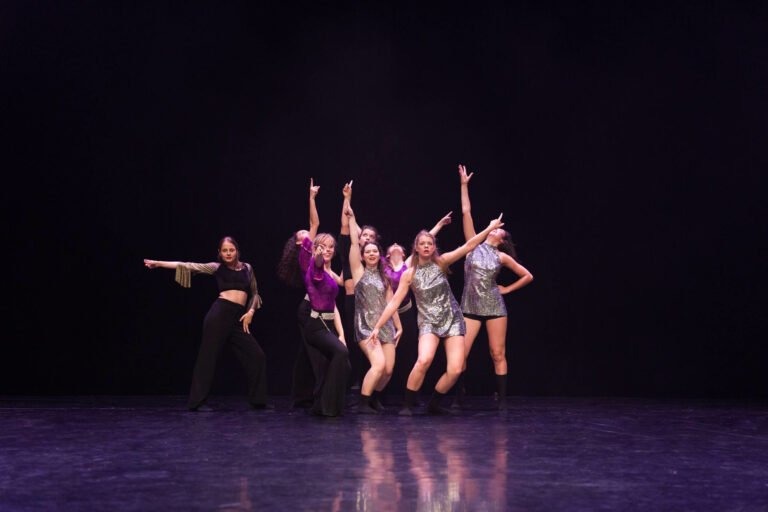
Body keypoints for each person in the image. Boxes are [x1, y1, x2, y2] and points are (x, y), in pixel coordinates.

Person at [368, 215, 505, 415]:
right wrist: (378, 326)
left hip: (452, 320)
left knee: (456, 369)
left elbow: (468, 246)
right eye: (421, 244)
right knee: (424, 360)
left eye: (429, 244)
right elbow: (394, 302)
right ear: (416, 247)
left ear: (433, 247)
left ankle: (434, 403)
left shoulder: (441, 262)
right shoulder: (410, 273)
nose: (425, 246)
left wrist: (488, 228)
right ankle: (407, 405)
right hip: (428, 322)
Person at [143, 237, 268, 412]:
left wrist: (251, 311)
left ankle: (258, 400)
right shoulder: (217, 268)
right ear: (220, 253)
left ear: (237, 251)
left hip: (239, 319)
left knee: (257, 355)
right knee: (207, 358)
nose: (228, 253)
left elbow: (255, 293)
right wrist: (158, 263)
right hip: (219, 315)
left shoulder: (247, 268)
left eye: (231, 250)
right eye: (224, 251)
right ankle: (197, 402)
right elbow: (188, 265)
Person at [455, 164, 533, 410]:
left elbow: (527, 275)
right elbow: (466, 213)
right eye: (495, 227)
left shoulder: (501, 257)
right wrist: (464, 185)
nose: (496, 229)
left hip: (494, 306)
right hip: (470, 306)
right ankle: (459, 393)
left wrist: (507, 290)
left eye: (499, 229)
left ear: (502, 239)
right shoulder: (473, 245)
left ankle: (501, 398)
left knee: (497, 353)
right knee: (461, 354)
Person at [383, 212, 453, 402]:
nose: (397, 244)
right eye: (393, 246)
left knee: (410, 355)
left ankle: (412, 395)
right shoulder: (382, 266)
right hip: (387, 312)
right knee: (386, 358)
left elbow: (424, 244)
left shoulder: (407, 267)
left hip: (405, 312)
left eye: (400, 246)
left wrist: (438, 225)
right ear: (388, 254)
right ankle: (379, 396)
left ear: (406, 253)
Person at [345, 202, 402, 414]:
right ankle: (363, 404)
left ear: (379, 255)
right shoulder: (359, 272)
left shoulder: (384, 276)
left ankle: (375, 398)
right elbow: (353, 243)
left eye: (374, 251)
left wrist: (399, 326)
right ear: (362, 255)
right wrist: (351, 215)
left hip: (386, 326)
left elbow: (391, 303)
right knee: (377, 365)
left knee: (388, 370)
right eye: (367, 251)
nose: (371, 253)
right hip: (367, 327)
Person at [276, 178, 326, 409]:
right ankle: (319, 394)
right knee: (315, 352)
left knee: (306, 353)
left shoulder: (312, 254)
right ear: (299, 243)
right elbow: (314, 222)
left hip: (310, 308)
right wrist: (312, 198)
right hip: (309, 310)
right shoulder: (305, 253)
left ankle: (301, 394)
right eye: (304, 234)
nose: (308, 234)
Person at [337, 180, 381, 394]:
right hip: (351, 301)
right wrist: (347, 198)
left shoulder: (374, 258)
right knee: (352, 340)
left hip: (371, 306)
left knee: (371, 342)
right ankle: (353, 380)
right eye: (365, 235)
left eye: (372, 237)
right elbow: (346, 224)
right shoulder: (350, 251)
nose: (368, 239)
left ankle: (369, 381)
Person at [302, 230, 351, 416]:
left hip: (327, 324)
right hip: (315, 326)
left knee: (342, 364)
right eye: (322, 246)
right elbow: (317, 264)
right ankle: (327, 406)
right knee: (341, 352)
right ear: (315, 249)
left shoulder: (330, 273)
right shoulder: (315, 269)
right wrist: (318, 257)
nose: (327, 250)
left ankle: (323, 404)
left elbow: (334, 307)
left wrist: (342, 335)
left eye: (330, 247)